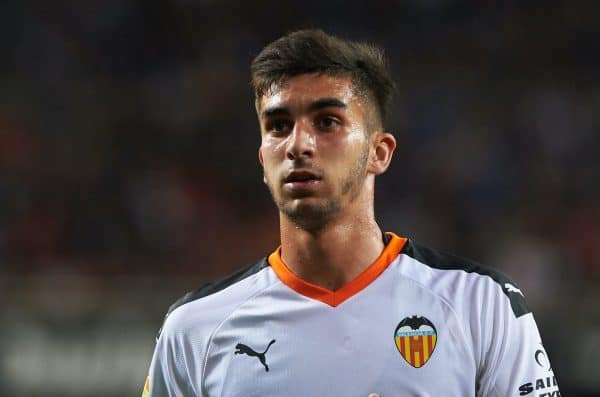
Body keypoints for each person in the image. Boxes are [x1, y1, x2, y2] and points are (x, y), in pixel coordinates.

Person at [142, 29, 560, 397]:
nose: (298, 145)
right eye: (279, 126)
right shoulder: (194, 330)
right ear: (262, 156)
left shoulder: (481, 304)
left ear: (379, 153)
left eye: (326, 122)